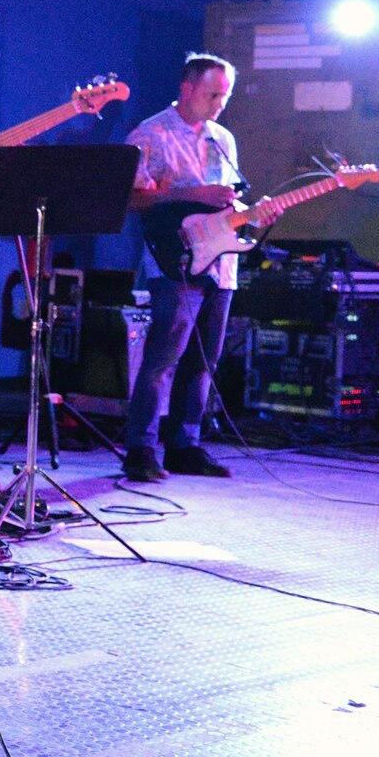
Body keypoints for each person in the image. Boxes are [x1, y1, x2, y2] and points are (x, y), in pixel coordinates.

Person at [121, 53, 281, 482]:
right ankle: (140, 447)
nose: (219, 105)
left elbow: (226, 202)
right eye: (213, 94)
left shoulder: (223, 139)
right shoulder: (149, 135)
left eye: (225, 96)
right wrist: (191, 194)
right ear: (187, 88)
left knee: (205, 361)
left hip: (221, 262)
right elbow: (130, 198)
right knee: (162, 359)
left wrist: (254, 213)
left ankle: (185, 445)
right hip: (175, 260)